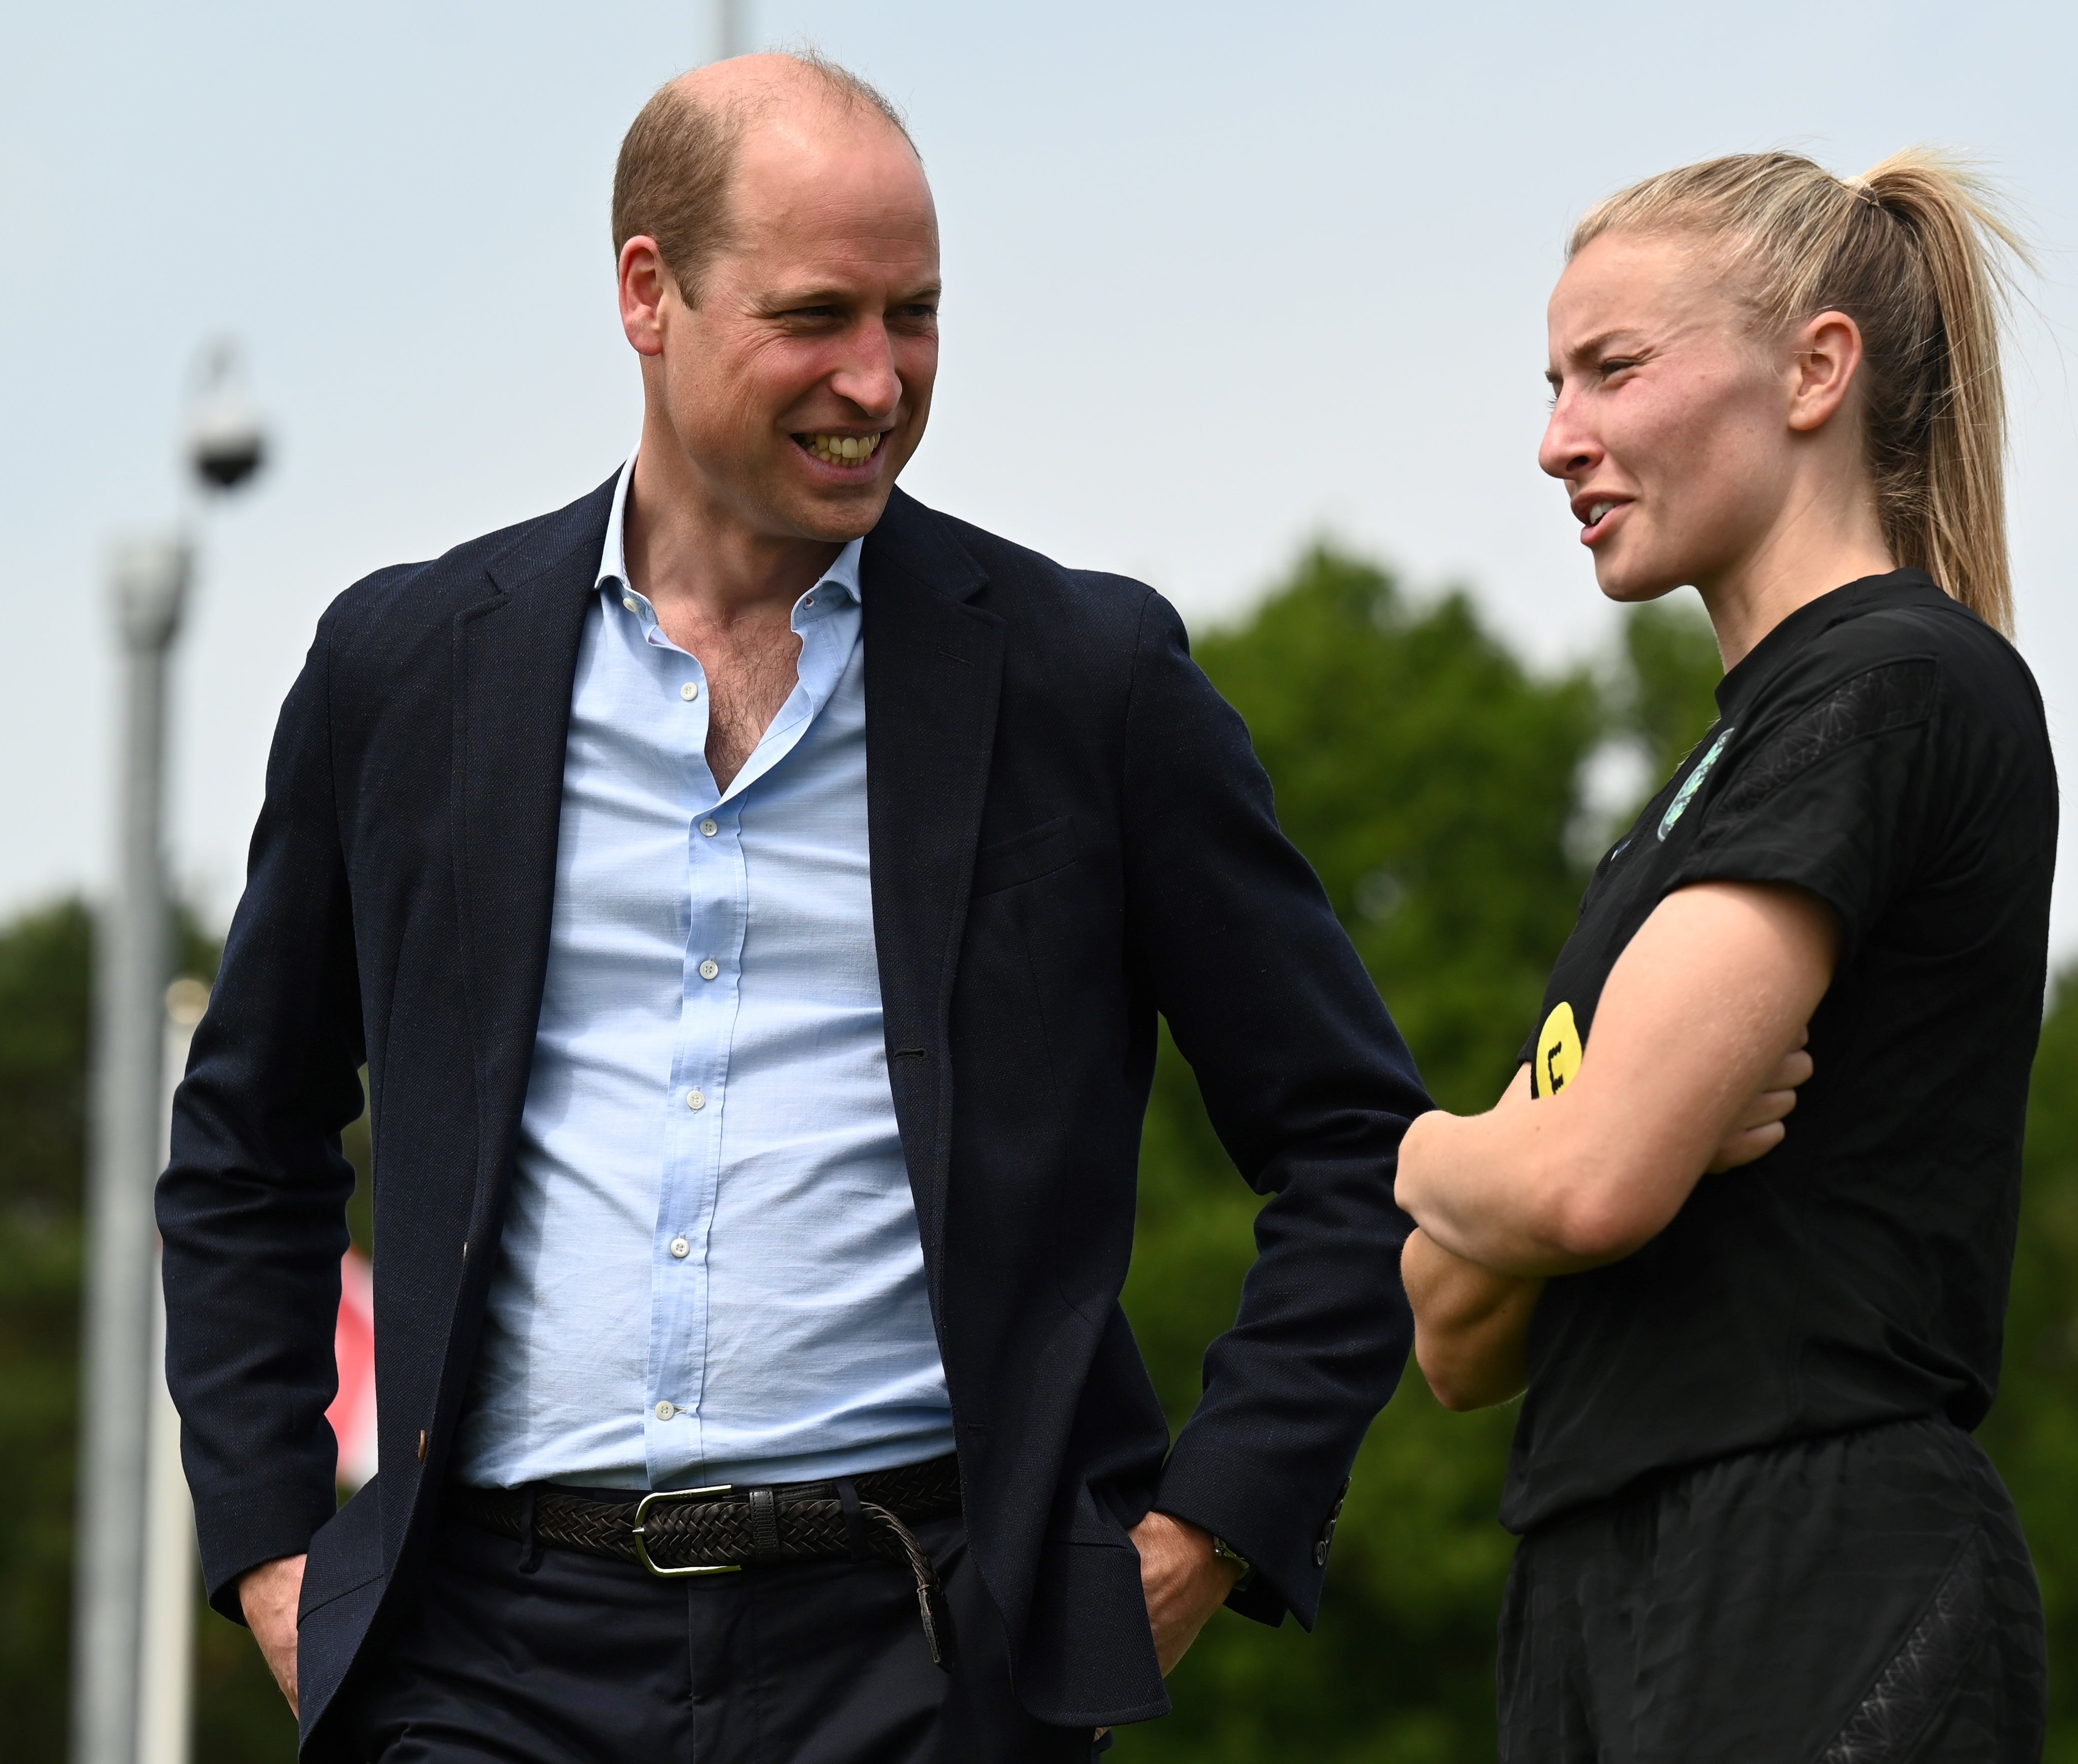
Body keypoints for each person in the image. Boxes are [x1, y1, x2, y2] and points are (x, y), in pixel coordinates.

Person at [157, 51, 1432, 1763]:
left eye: (914, 316)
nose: (877, 377)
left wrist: (1204, 1533)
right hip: (483, 1658)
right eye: (817, 314)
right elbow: (246, 1136)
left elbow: (1358, 1141)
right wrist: (269, 1554)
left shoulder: (1089, 678)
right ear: (645, 293)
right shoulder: (402, 668)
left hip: (921, 1650)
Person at [1395, 149, 2057, 1763]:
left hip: (1815, 1567)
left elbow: (1579, 1189)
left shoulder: (1893, 682)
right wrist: (1525, 1170)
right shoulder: (1690, 808)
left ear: (1814, 369)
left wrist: (1414, 1146)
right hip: (1590, 1578)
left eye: (1613, 368)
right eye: (1556, 382)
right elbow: (1449, 1333)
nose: (1560, 438)